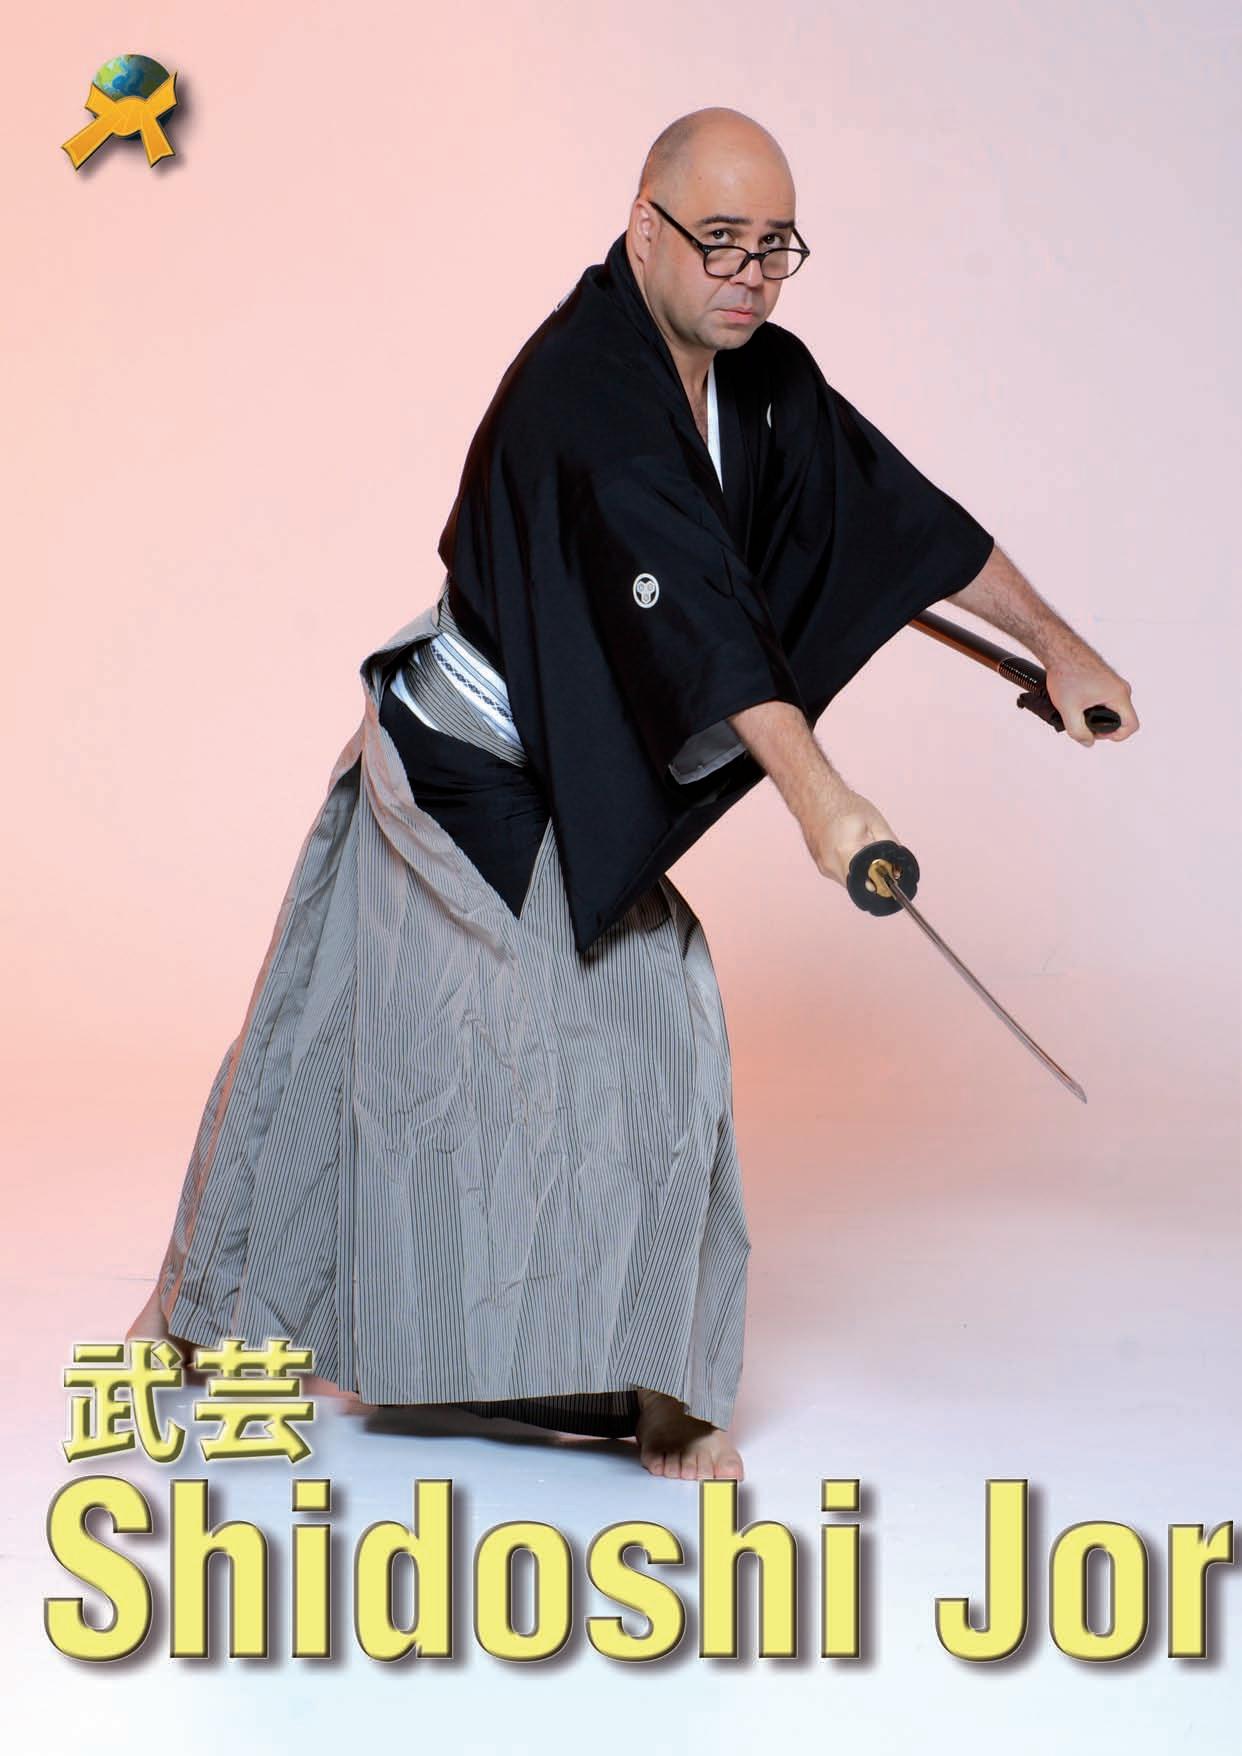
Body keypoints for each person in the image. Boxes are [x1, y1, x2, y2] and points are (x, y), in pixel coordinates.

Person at [127, 108, 1139, 1481]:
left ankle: (309, 1327)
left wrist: (1058, 646)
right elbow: (706, 625)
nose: (748, 274)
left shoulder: (761, 377)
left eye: (773, 246)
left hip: (558, 751)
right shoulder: (587, 392)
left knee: (336, 1023)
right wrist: (824, 802)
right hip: (468, 765)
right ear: (641, 225)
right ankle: (626, 1385)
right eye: (718, 240)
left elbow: (901, 518)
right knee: (635, 1024)